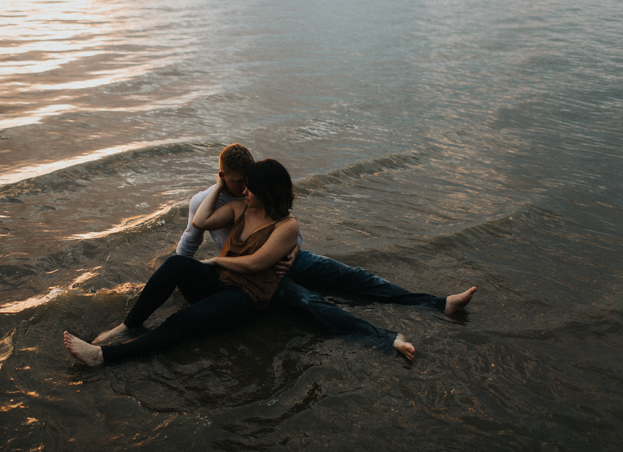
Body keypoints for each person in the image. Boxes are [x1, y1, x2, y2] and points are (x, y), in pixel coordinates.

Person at [174, 144, 476, 360]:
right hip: (259, 274)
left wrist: (294, 250)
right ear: (222, 175)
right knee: (310, 301)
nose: (243, 189)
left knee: (354, 276)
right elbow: (191, 237)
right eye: (237, 181)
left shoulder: (258, 189)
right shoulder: (204, 201)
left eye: (247, 181)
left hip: (287, 257)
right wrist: (180, 276)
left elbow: (287, 224)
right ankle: (385, 339)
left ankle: (439, 304)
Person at [64, 159, 301, 366]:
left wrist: (216, 260)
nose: (245, 191)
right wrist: (219, 185)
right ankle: (128, 325)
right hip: (219, 281)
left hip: (245, 299)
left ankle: (103, 356)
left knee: (182, 320)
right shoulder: (242, 208)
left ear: (268, 191)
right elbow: (200, 220)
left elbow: (255, 265)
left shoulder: (287, 226)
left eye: (251, 188)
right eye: (245, 186)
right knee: (176, 263)